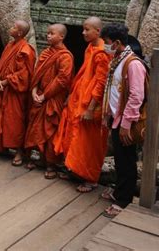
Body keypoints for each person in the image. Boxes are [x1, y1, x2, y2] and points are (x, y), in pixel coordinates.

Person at [53, 17, 111, 192]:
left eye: (87, 30)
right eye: (83, 29)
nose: (83, 33)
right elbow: (83, 75)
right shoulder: (91, 48)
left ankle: (90, 179)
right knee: (75, 138)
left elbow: (101, 83)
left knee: (89, 144)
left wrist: (91, 107)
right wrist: (72, 96)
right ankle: (75, 171)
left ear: (98, 31)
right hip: (80, 101)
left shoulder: (102, 52)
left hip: (91, 106)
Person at [100, 23, 146, 217]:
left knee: (127, 160)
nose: (105, 46)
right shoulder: (118, 59)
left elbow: (136, 96)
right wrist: (107, 114)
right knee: (120, 158)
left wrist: (127, 123)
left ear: (117, 43)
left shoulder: (133, 64)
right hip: (116, 118)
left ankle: (124, 200)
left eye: (107, 43)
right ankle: (119, 191)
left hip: (126, 122)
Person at [24, 24, 74, 179]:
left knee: (51, 130)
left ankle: (51, 164)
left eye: (52, 33)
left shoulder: (65, 56)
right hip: (39, 96)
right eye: (47, 33)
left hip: (53, 98)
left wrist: (45, 95)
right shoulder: (46, 53)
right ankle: (39, 158)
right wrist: (34, 91)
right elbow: (37, 74)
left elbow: (62, 80)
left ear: (62, 36)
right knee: (36, 127)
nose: (48, 36)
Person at [0, 20, 36, 166]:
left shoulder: (26, 50)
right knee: (1, 118)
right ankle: (2, 147)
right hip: (3, 90)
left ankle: (19, 152)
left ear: (20, 32)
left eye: (14, 27)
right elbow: (2, 66)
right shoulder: (9, 45)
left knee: (15, 122)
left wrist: (6, 81)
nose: (11, 28)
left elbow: (24, 74)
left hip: (15, 92)